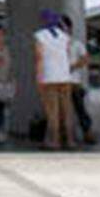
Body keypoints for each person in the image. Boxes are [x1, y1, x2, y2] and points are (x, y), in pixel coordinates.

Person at [33, 9, 76, 150]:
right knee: (67, 110)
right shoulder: (64, 36)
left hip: (49, 77)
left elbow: (39, 58)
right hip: (65, 76)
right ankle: (70, 141)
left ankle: (55, 141)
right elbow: (67, 54)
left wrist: (39, 77)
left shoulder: (40, 36)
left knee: (52, 111)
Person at [62, 16, 97, 145]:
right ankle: (64, 135)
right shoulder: (55, 45)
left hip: (74, 82)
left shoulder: (76, 44)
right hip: (58, 82)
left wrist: (72, 66)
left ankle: (87, 131)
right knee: (61, 110)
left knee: (79, 108)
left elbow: (85, 59)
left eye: (63, 26)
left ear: (69, 28)